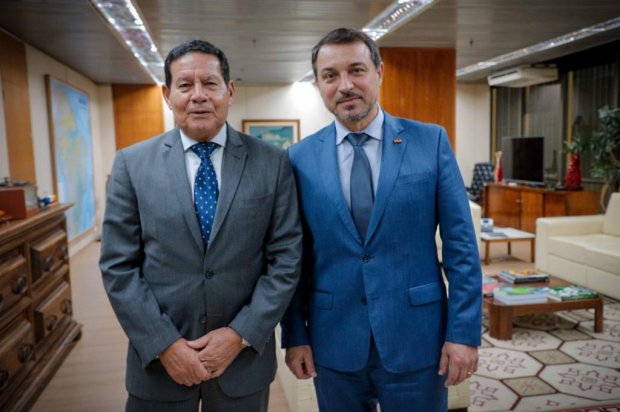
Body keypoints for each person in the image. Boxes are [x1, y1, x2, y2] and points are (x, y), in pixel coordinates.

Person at [280, 28, 482, 411]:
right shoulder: (298, 159)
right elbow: (293, 258)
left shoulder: (430, 142)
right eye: (330, 76)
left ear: (379, 72)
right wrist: (295, 334)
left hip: (418, 339)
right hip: (333, 343)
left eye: (356, 70)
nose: (345, 86)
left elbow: (462, 249)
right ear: (318, 84)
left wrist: (464, 333)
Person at [99, 39, 302, 411]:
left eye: (210, 83)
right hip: (158, 366)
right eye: (185, 85)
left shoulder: (272, 163)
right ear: (167, 95)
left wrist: (240, 334)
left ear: (229, 91)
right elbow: (118, 266)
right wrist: (164, 344)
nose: (198, 96)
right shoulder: (132, 165)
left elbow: (286, 259)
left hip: (243, 364)